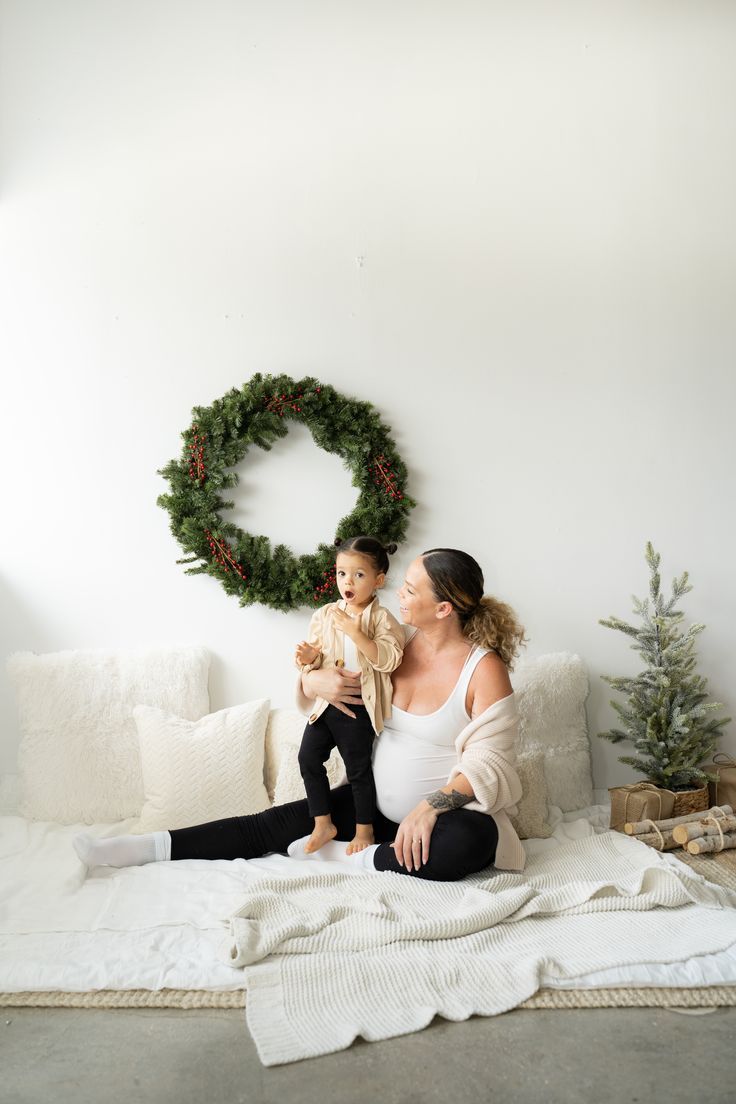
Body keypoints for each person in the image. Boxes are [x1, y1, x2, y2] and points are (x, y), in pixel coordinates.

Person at [74, 548, 528, 881]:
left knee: (467, 844)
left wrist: (429, 807)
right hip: (372, 807)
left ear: (444, 608)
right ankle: (139, 848)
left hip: (445, 817)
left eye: (411, 590)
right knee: (269, 825)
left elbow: (490, 763)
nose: (399, 596)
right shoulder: (393, 646)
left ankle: (346, 859)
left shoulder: (482, 670)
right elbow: (329, 673)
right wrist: (312, 682)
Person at [294, 535, 404, 855]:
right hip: (327, 703)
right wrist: (308, 658)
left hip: (358, 707)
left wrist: (356, 632)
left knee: (358, 770)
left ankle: (364, 830)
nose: (347, 581)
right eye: (342, 573)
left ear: (378, 580)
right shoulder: (326, 614)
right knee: (307, 757)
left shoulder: (382, 619)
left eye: (358, 574)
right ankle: (322, 822)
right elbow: (318, 656)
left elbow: (389, 658)